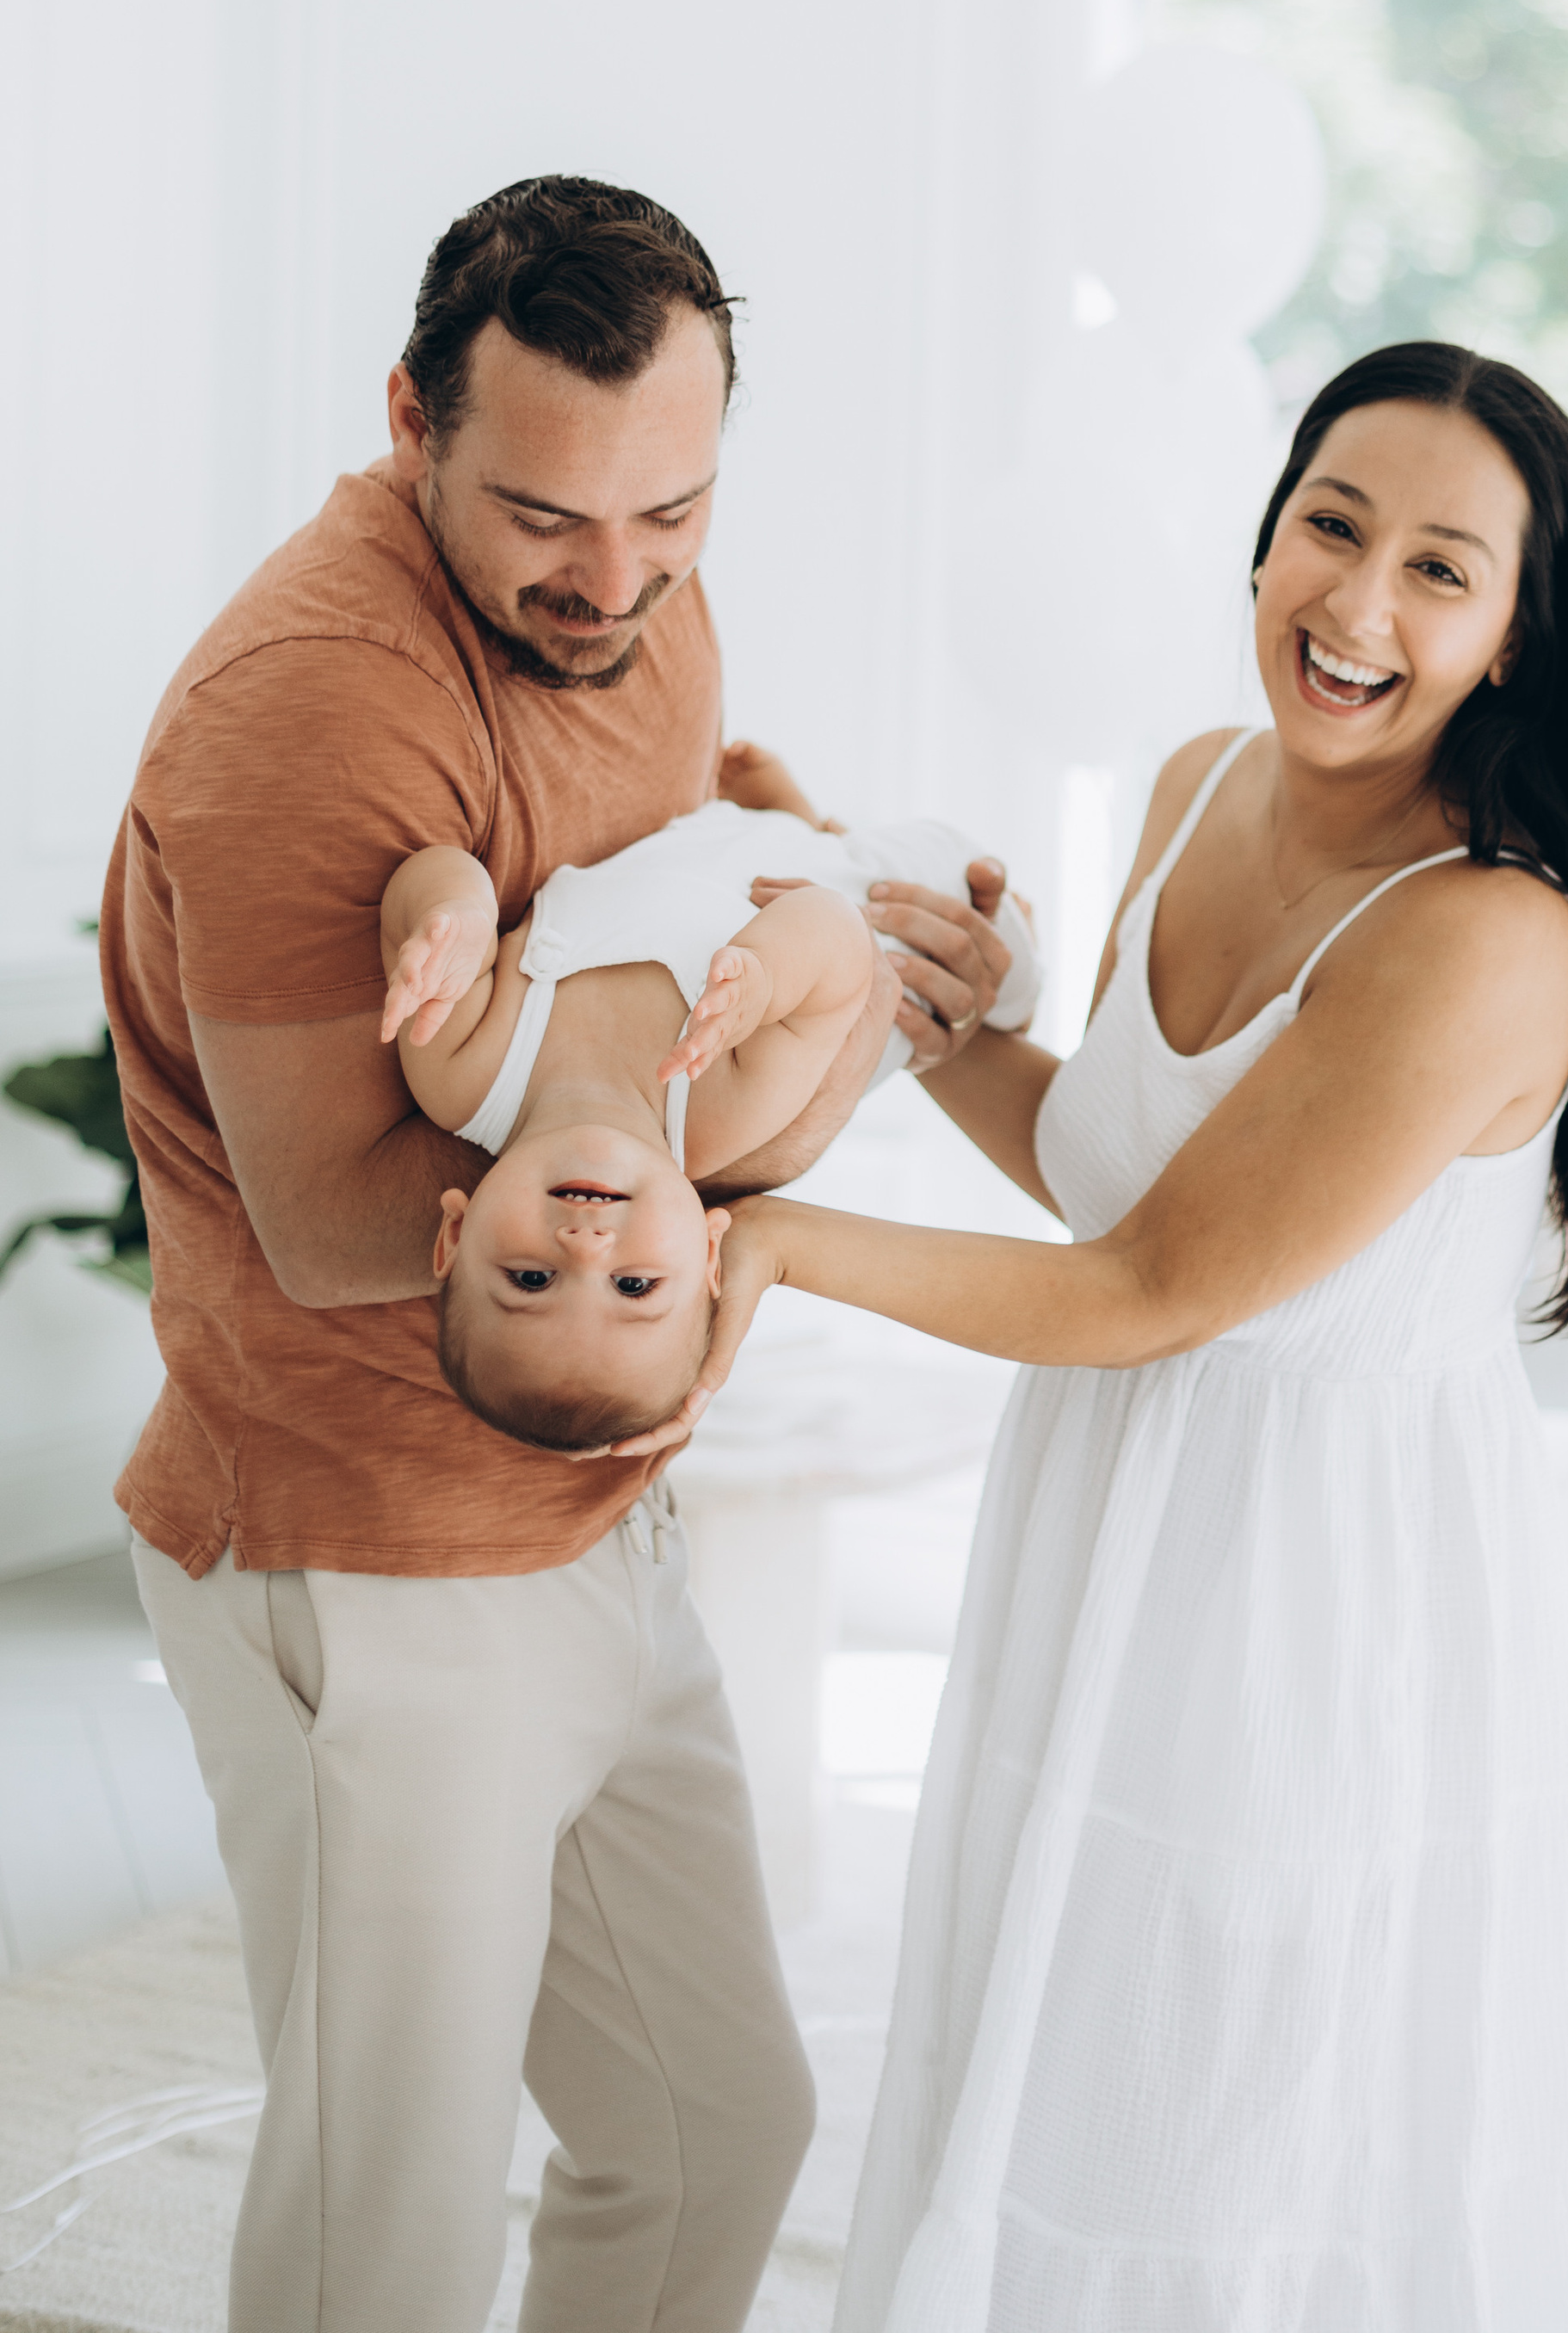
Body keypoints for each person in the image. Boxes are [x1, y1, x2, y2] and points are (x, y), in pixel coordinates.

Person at [701, 339, 1568, 2332]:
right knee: (1039, 2054)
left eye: (1436, 566)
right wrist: (926, 998)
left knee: (1228, 2134)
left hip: (1305, 1603)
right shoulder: (1193, 781)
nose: (1353, 601)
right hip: (1105, 1530)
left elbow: (1154, 1294)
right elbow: (1112, 1187)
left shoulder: (1482, 933)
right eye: (1329, 522)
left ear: (1509, 636)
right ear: (1261, 535)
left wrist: (785, 1236)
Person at [102, 176, 1013, 2333]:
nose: (613, 583)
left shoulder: (638, 595)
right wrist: (844, 1045)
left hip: (591, 1506)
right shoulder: (313, 705)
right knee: (382, 2234)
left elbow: (666, 874)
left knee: (712, 2131)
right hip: (361, 1541)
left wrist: (847, 912)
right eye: (543, 518)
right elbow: (341, 1227)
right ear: (411, 415)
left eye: (672, 513)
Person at [383, 804, 1042, 1452]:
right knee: (985, 924)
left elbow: (424, 878)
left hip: (720, 835)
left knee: (788, 824)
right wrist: (768, 979)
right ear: (706, 1253)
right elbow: (841, 944)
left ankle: (794, 807)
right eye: (634, 1287)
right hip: (891, 913)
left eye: (530, 1280)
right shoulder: (723, 1114)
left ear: (455, 1236)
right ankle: (1024, 990)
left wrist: (456, 912)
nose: (585, 1248)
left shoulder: (460, 1070)